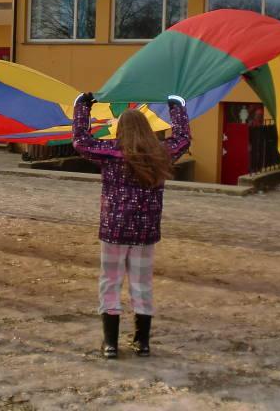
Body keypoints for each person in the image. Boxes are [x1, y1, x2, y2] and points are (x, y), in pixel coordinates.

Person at [72, 92, 191, 359]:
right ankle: (142, 342)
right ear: (148, 129)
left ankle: (111, 344)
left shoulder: (111, 153)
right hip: (145, 232)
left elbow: (80, 141)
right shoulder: (161, 153)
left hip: (114, 230)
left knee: (110, 282)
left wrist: (82, 106)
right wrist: (177, 106)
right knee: (142, 284)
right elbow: (183, 138)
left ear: (120, 129)